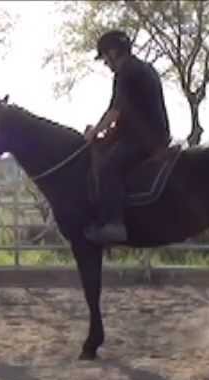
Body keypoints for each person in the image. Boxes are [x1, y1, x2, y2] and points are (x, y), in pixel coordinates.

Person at [82, 29, 172, 247]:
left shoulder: (126, 71)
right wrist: (107, 135)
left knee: (108, 166)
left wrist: (93, 133)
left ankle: (114, 224)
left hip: (145, 139)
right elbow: (128, 114)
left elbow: (115, 111)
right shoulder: (143, 68)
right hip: (150, 133)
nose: (106, 64)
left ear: (113, 52)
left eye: (105, 58)